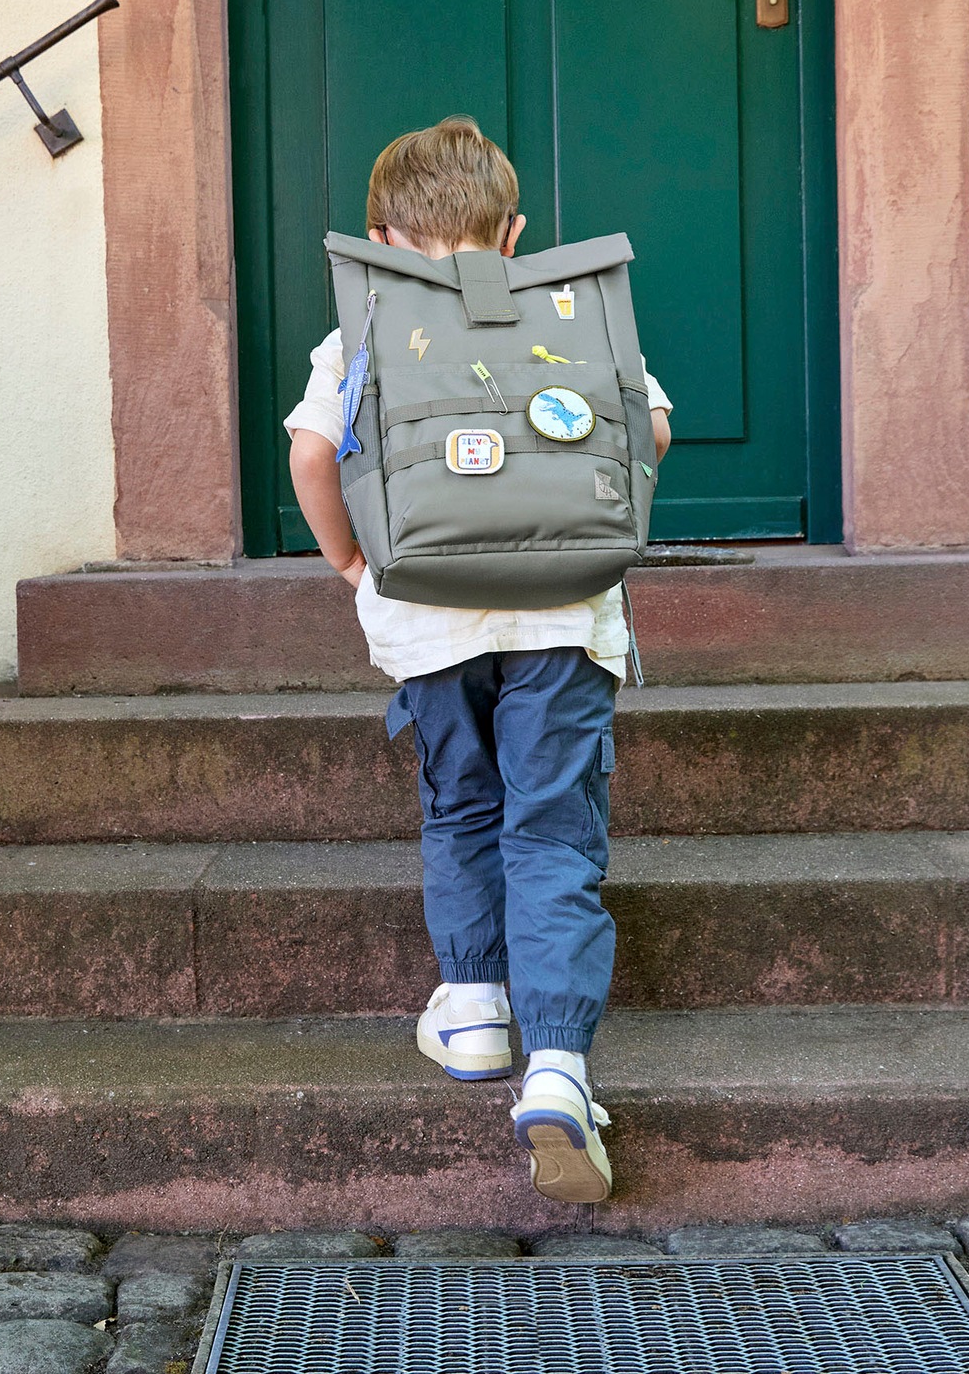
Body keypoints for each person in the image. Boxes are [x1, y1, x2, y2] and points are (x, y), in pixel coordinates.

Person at [282, 115, 672, 1204]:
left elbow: (312, 449)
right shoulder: (573, 312)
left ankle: (470, 1014)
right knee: (552, 832)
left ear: (381, 238)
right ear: (515, 235)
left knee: (461, 808)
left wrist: (352, 561)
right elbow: (649, 432)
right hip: (559, 616)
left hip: (427, 617)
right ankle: (556, 1066)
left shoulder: (357, 328)